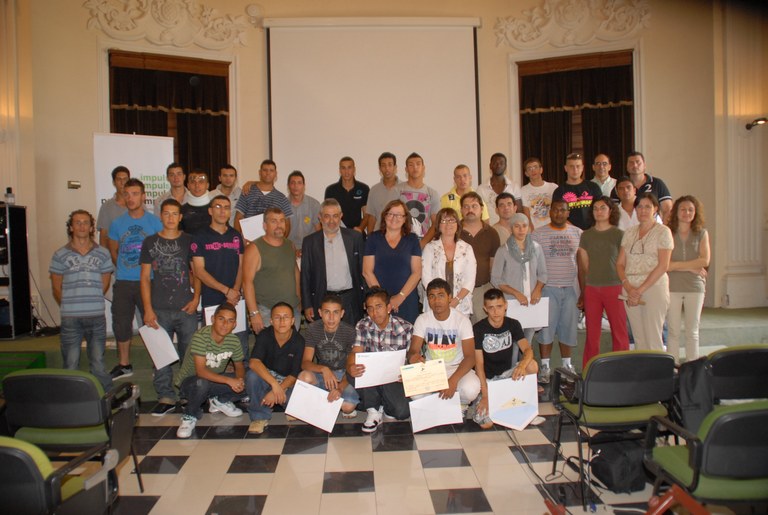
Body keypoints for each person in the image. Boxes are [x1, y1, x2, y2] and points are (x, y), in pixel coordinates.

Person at [140, 199, 200, 416]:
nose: (171, 218)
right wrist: (148, 308)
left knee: (189, 354)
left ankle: (186, 393)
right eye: (166, 213)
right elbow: (145, 278)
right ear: (161, 216)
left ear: (180, 217)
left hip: (186, 308)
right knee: (161, 356)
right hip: (159, 308)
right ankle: (165, 396)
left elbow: (197, 272)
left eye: (175, 214)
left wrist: (196, 299)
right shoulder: (150, 242)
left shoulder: (189, 241)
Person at [49, 209, 114, 390]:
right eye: (77, 223)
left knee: (98, 362)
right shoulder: (60, 254)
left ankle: (103, 399)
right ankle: (71, 399)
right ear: (71, 227)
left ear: (92, 227)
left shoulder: (103, 253)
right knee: (70, 362)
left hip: (96, 316)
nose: (82, 226)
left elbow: (105, 282)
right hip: (71, 318)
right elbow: (56, 287)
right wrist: (70, 305)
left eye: (86, 222)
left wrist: (92, 297)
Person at [107, 178, 163, 380]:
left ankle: (158, 364)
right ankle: (124, 365)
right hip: (124, 281)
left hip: (149, 281)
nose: (130, 198)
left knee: (152, 322)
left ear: (143, 196)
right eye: (127, 194)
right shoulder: (117, 224)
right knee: (121, 323)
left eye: (135, 194)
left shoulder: (154, 222)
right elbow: (114, 251)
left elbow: (161, 252)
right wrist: (127, 269)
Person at [408, 278, 480, 413]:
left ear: (449, 297)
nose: (436, 301)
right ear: (428, 299)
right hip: (432, 368)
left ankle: (461, 405)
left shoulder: (462, 321)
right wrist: (414, 357)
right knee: (414, 392)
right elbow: (413, 350)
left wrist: (453, 381)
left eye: (441, 295)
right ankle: (436, 403)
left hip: (456, 367)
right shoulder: (422, 319)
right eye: (432, 296)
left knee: (471, 389)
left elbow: (470, 357)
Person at [175, 303, 245, 438]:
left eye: (230, 321)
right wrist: (229, 381)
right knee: (202, 383)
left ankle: (219, 400)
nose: (225, 324)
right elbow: (200, 371)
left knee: (252, 378)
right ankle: (189, 416)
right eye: (221, 319)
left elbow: (239, 366)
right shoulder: (201, 336)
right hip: (192, 382)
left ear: (235, 324)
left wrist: (240, 380)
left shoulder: (234, 340)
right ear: (213, 319)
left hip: (214, 380)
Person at [348, 287, 413, 433]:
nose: (374, 312)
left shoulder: (406, 328)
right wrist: (351, 365)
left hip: (394, 378)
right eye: (370, 308)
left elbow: (411, 358)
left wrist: (407, 373)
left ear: (389, 307)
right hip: (370, 377)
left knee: (402, 412)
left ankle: (381, 403)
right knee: (352, 369)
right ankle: (373, 410)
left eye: (378, 307)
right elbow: (356, 352)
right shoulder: (363, 325)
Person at [472, 288, 538, 429]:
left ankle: (519, 403)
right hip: (487, 380)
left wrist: (521, 366)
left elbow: (528, 350)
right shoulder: (478, 329)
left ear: (506, 306)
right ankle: (494, 401)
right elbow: (479, 365)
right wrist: (485, 396)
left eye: (499, 306)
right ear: (485, 309)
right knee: (486, 424)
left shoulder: (513, 324)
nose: (496, 312)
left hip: (507, 377)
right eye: (491, 308)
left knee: (531, 365)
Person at [531, 199, 582, 380]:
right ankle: (545, 367)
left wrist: (583, 292)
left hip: (571, 289)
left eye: (562, 210)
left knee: (568, 328)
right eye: (555, 210)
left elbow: (582, 263)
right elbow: (533, 264)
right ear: (550, 212)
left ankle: (567, 365)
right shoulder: (538, 234)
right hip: (547, 289)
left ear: (568, 213)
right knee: (546, 329)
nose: (559, 213)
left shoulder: (578, 233)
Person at [191, 195, 247, 358]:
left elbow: (241, 266)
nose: (223, 211)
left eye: (226, 207)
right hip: (211, 298)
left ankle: (241, 371)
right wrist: (226, 291)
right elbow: (199, 271)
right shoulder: (199, 236)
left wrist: (235, 291)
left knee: (239, 344)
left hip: (235, 299)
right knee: (211, 347)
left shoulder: (236, 236)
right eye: (218, 207)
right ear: (210, 211)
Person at [616, 193, 673, 351]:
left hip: (654, 287)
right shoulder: (629, 232)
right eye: (640, 206)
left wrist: (639, 290)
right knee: (638, 337)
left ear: (655, 209)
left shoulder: (663, 231)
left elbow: (663, 265)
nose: (643, 210)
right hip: (630, 288)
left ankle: (658, 367)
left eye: (648, 206)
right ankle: (641, 367)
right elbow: (620, 264)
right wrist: (629, 288)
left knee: (653, 336)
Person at [577, 197, 628, 367]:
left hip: (615, 287)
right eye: (595, 208)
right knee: (592, 333)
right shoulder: (586, 235)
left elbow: (623, 263)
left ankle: (621, 368)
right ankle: (590, 370)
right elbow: (585, 265)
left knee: (619, 331)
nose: (599, 211)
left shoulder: (619, 235)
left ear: (610, 211)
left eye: (603, 208)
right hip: (592, 289)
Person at [300, 199, 365, 326]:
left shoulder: (355, 238)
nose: (331, 221)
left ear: (341, 216)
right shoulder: (310, 242)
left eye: (335, 216)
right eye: (327, 216)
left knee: (351, 336)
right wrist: (307, 304)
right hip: (322, 299)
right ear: (320, 217)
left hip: (350, 300)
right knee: (324, 338)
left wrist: (365, 298)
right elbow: (305, 276)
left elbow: (362, 269)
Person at [245, 302, 305, 434]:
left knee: (298, 406)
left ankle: (287, 406)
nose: (282, 321)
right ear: (271, 321)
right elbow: (254, 362)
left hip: (287, 382)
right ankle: (259, 416)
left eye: (286, 317)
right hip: (267, 379)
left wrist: (279, 388)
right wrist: (274, 385)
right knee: (251, 376)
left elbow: (294, 375)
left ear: (293, 321)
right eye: (277, 317)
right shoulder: (264, 335)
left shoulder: (299, 341)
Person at [297, 295, 360, 417]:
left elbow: (351, 367)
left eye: (335, 312)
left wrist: (340, 388)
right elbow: (305, 363)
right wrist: (323, 369)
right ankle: (321, 401)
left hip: (344, 375)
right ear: (320, 313)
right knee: (304, 376)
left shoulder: (350, 331)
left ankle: (327, 399)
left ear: (342, 313)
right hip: (322, 374)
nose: (331, 317)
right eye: (327, 312)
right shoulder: (312, 329)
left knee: (347, 407)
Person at [490, 213, 547, 344]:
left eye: (524, 226)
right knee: (514, 341)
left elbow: (543, 274)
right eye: (517, 226)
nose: (521, 230)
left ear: (529, 228)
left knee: (528, 341)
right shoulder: (503, 250)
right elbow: (495, 279)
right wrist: (516, 293)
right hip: (512, 302)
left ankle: (526, 359)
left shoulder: (536, 248)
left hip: (532, 301)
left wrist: (537, 290)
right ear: (511, 229)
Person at [242, 208, 301, 333]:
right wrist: (253, 313)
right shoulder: (254, 249)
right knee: (269, 346)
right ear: (265, 226)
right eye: (274, 221)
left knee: (292, 345)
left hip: (292, 310)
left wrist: (299, 299)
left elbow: (295, 273)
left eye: (282, 221)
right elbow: (247, 283)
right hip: (266, 311)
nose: (279, 225)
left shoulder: (290, 245)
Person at [363, 199, 422, 323]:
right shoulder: (373, 238)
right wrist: (382, 301)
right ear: (384, 216)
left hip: (406, 299)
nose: (394, 218)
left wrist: (400, 297)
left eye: (399, 215)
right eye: (390, 214)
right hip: (378, 303)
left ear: (405, 218)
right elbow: (367, 272)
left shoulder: (412, 240)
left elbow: (417, 273)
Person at [666, 196, 710, 362]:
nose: (687, 213)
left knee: (693, 331)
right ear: (676, 212)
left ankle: (693, 366)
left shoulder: (702, 233)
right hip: (672, 286)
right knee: (673, 331)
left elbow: (705, 261)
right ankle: (673, 366)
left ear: (695, 212)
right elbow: (665, 265)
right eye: (683, 209)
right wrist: (691, 267)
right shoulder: (667, 233)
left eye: (691, 209)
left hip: (695, 287)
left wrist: (676, 265)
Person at [421, 207, 476, 318]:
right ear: (438, 225)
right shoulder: (430, 248)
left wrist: (456, 300)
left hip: (461, 304)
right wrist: (439, 300)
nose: (448, 224)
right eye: (444, 221)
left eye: (452, 220)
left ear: (457, 224)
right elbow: (426, 278)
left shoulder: (467, 248)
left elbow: (470, 280)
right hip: (435, 305)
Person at [459, 192, 501, 323]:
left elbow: (493, 264)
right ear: (461, 210)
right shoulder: (453, 231)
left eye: (474, 206)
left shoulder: (492, 233)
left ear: (482, 209)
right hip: (458, 292)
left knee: (482, 329)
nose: (470, 210)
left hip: (482, 290)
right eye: (466, 206)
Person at [235, 159, 293, 236]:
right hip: (249, 241)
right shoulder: (247, 192)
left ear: (275, 174)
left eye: (271, 170)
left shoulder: (282, 198)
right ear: (260, 172)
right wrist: (239, 240)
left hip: (272, 241)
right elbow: (238, 218)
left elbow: (287, 224)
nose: (268, 173)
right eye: (265, 170)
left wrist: (280, 241)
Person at [612, 152, 673, 223]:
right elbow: (613, 212)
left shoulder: (657, 183)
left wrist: (663, 228)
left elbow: (667, 209)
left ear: (644, 165)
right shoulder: (620, 187)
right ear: (627, 167)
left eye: (638, 162)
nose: (635, 165)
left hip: (652, 226)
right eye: (631, 163)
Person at [397, 152, 440, 248]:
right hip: (400, 244)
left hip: (423, 245)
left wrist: (421, 244)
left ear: (423, 168)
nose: (415, 167)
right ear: (406, 169)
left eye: (418, 164)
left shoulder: (432, 193)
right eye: (411, 165)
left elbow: (435, 223)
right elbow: (390, 219)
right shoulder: (397, 190)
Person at [552, 153, 602, 230]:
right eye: (571, 166)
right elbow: (558, 215)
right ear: (566, 168)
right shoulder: (559, 191)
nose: (575, 170)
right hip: (569, 232)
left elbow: (601, 210)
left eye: (578, 166)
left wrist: (591, 230)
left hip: (593, 231)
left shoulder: (593, 187)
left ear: (582, 168)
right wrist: (577, 231)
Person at [324, 156, 370, 234]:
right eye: (343, 168)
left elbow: (367, 214)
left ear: (354, 169)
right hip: (336, 234)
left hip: (357, 233)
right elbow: (327, 214)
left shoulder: (364, 188)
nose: (346, 171)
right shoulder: (331, 190)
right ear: (340, 170)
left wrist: (360, 228)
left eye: (349, 167)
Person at [476, 153, 523, 225]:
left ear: (505, 166)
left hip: (511, 228)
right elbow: (479, 213)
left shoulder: (514, 186)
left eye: (501, 163)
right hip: (489, 228)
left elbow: (519, 212)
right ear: (490, 166)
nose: (498, 165)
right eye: (495, 163)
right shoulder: (481, 189)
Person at [286, 170, 320, 257]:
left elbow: (319, 231)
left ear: (304, 186)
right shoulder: (282, 205)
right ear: (288, 186)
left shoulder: (314, 204)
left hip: (310, 249)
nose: (296, 186)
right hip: (288, 249)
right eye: (293, 183)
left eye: (299, 183)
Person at [366, 152, 401, 235]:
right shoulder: (374, 190)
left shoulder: (404, 188)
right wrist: (370, 238)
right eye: (383, 165)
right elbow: (372, 217)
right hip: (379, 235)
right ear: (380, 168)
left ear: (395, 167)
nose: (387, 168)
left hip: (399, 236)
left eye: (390, 165)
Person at [520, 157, 558, 230]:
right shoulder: (523, 190)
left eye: (535, 167)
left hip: (553, 228)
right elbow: (526, 215)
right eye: (529, 168)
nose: (533, 170)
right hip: (535, 230)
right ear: (526, 173)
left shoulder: (553, 187)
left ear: (541, 170)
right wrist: (532, 231)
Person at [96, 165, 129, 248]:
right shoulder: (106, 207)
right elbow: (103, 237)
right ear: (114, 182)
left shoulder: (139, 205)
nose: (122, 183)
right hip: (114, 253)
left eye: (125, 179)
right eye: (119, 179)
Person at [179, 169, 212, 235]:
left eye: (201, 182)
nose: (197, 185)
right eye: (193, 182)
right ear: (188, 185)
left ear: (207, 185)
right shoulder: (181, 210)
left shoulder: (216, 208)